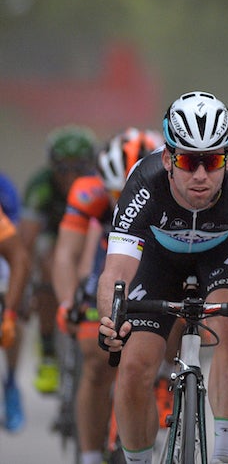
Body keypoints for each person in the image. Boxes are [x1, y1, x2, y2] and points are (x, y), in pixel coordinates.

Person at [97, 91, 228, 464]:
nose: (201, 175)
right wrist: (110, 320)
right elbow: (115, 274)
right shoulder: (144, 182)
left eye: (213, 160)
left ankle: (223, 455)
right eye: (188, 161)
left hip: (221, 254)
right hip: (159, 259)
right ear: (169, 158)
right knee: (135, 363)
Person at [53, 128, 164, 464]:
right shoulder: (89, 192)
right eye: (118, 193)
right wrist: (67, 303)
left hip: (161, 263)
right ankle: (89, 455)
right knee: (95, 360)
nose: (124, 201)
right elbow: (65, 256)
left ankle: (165, 376)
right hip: (112, 262)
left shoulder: (177, 188)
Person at [20, 124, 98, 394]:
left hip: (89, 233)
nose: (71, 176)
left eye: (80, 168)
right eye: (63, 168)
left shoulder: (98, 182)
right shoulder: (40, 186)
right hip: (54, 237)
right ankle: (49, 354)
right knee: (49, 264)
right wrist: (27, 289)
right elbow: (25, 244)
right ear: (51, 166)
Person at [0, 177, 30, 432]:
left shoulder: (6, 189)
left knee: (14, 316)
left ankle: (10, 382)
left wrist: (9, 312)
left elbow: (18, 257)